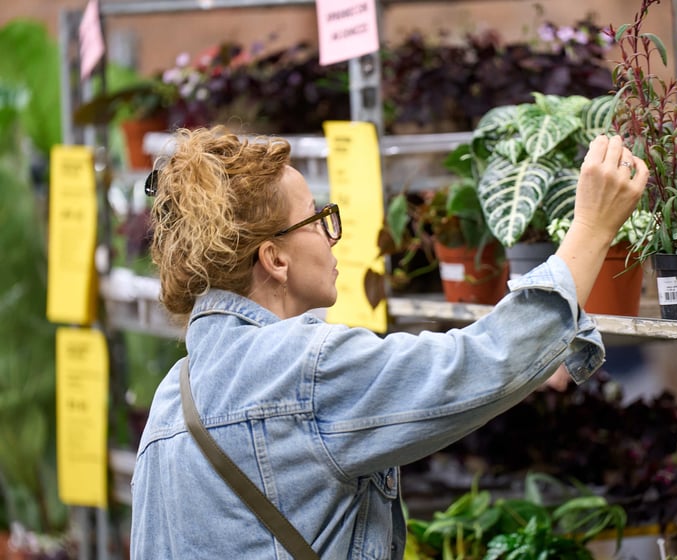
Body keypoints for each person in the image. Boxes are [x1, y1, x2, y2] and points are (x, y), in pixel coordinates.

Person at [129, 125, 648, 559]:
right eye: (316, 218)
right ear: (275, 259)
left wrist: (537, 355)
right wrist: (591, 226)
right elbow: (480, 363)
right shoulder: (303, 368)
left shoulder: (172, 400)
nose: (333, 236)